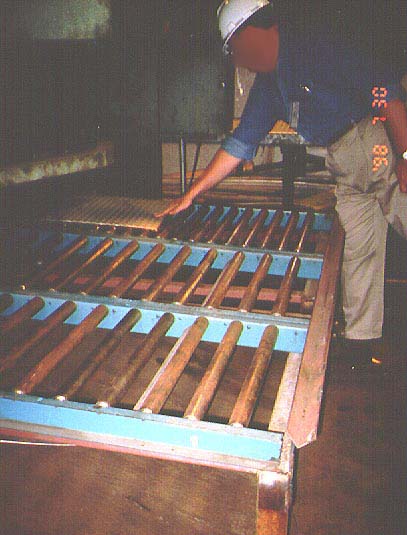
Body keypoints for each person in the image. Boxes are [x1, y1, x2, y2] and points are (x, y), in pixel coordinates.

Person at [156, 0, 407, 366]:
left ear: (263, 28)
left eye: (240, 47)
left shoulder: (316, 44)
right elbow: (240, 144)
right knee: (359, 244)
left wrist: (404, 154)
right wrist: (191, 194)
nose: (241, 59)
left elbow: (384, 91)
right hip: (342, 158)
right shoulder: (271, 86)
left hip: (375, 141)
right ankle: (360, 342)